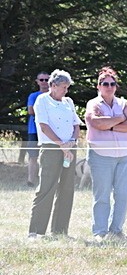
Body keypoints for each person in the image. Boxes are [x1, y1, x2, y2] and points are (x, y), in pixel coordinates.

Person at [84, 67, 127, 242]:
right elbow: (95, 122)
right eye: (104, 83)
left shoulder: (123, 103)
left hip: (125, 155)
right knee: (102, 195)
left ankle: (117, 231)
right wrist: (120, 119)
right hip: (101, 156)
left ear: (116, 86)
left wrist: (110, 124)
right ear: (98, 86)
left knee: (123, 194)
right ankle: (100, 232)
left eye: (112, 83)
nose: (109, 86)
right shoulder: (93, 104)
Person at [28, 70, 81, 239]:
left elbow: (76, 124)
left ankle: (60, 230)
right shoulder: (42, 100)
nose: (66, 91)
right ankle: (36, 231)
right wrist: (61, 144)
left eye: (67, 87)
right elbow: (43, 126)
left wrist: (71, 141)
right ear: (53, 85)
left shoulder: (69, 102)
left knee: (67, 188)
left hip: (70, 149)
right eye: (63, 87)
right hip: (51, 148)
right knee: (47, 188)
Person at [25, 71, 51, 186]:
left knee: (49, 156)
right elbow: (31, 111)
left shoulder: (54, 96)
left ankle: (45, 180)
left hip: (50, 131)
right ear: (37, 82)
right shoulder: (33, 96)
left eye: (46, 79)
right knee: (33, 156)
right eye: (42, 80)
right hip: (34, 130)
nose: (44, 82)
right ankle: (30, 181)